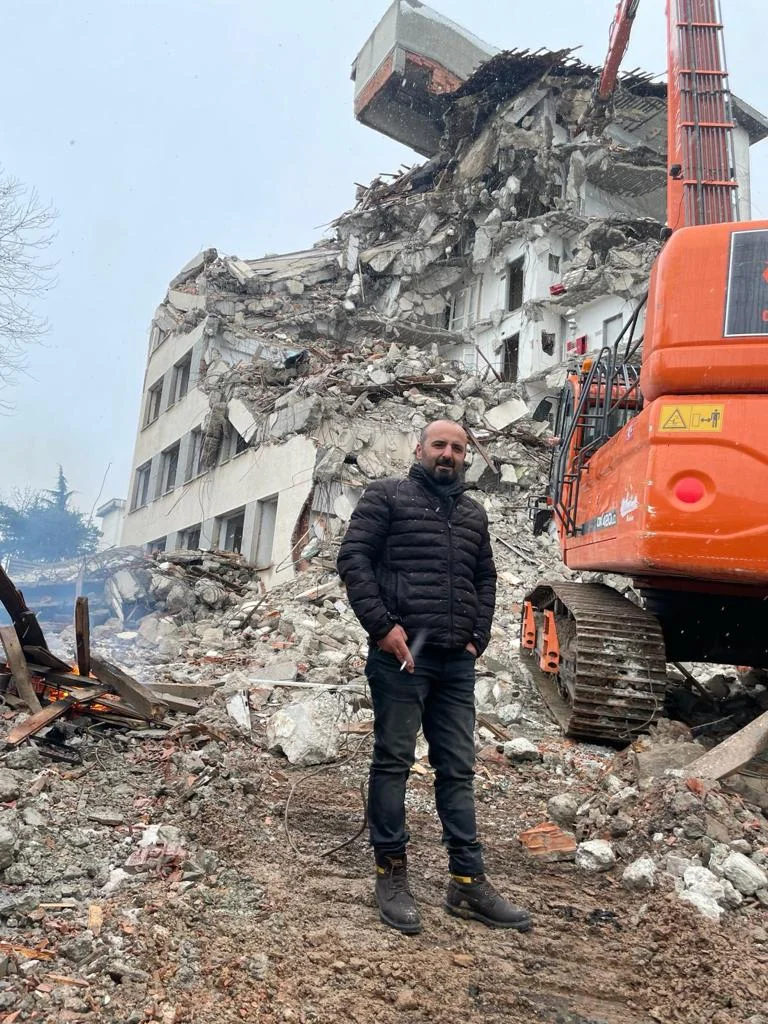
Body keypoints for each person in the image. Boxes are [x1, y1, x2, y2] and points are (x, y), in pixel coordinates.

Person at [337, 419, 532, 935]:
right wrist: (382, 627)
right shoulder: (386, 496)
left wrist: (477, 638)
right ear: (419, 449)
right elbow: (353, 558)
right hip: (402, 657)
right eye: (439, 445)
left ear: (467, 457)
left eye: (458, 448)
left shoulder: (472, 513)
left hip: (455, 661)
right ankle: (391, 874)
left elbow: (485, 577)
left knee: (458, 768)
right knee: (394, 762)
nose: (448, 454)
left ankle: (467, 882)